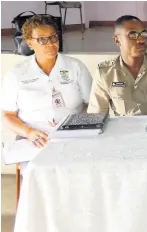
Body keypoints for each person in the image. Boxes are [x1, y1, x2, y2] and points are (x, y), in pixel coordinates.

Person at [1, 15, 92, 170]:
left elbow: (93, 104)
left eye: (53, 37)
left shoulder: (76, 67)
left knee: (79, 172)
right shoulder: (17, 73)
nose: (50, 43)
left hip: (72, 135)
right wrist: (29, 132)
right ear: (29, 42)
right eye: (42, 39)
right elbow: (7, 116)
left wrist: (78, 126)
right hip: (33, 138)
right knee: (37, 177)